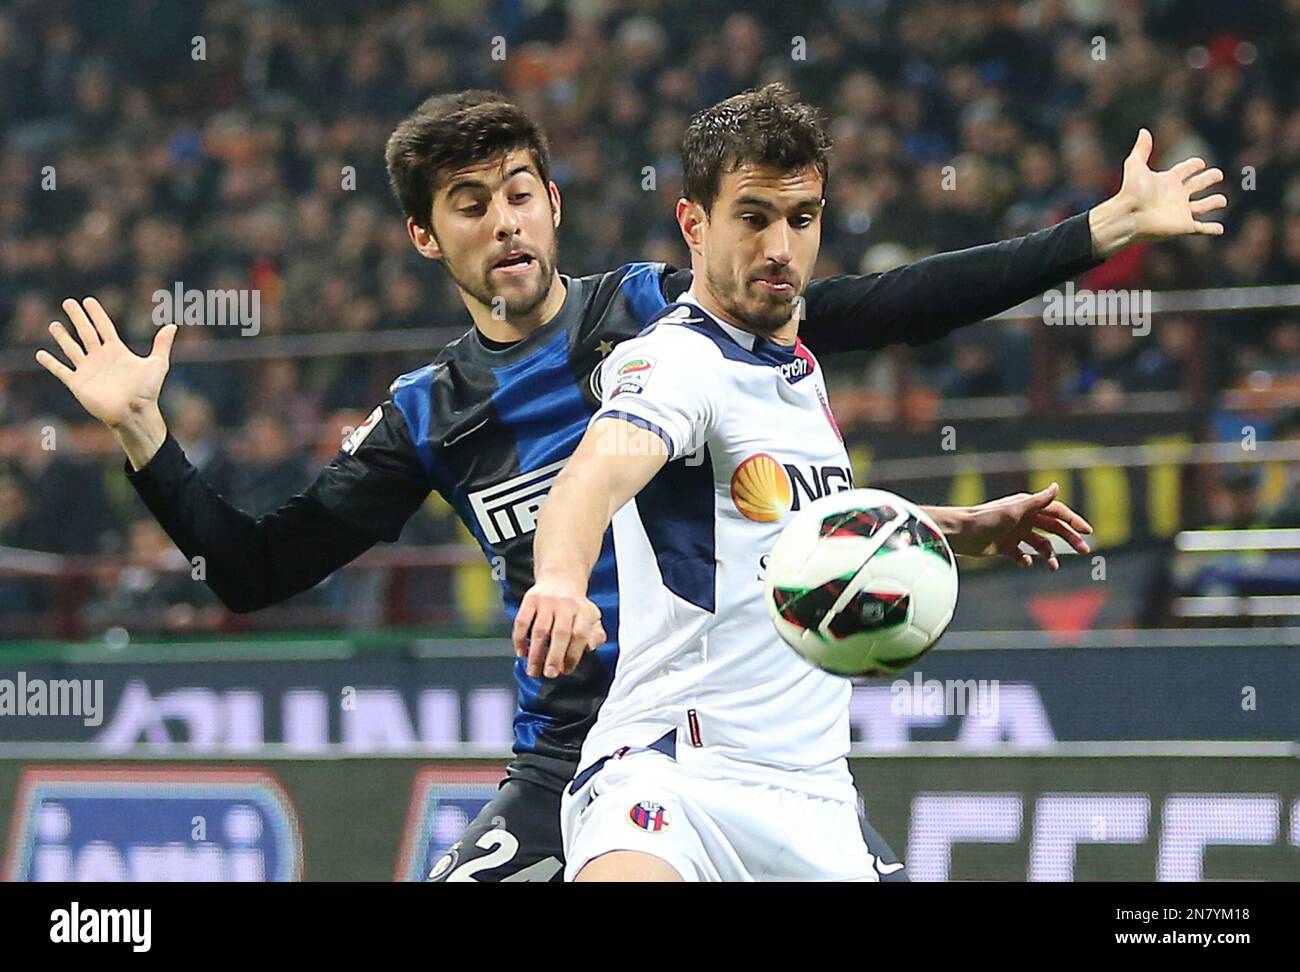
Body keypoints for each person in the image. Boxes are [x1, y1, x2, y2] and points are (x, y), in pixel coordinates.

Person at [35, 87, 1224, 881]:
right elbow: (252, 570)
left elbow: (873, 319)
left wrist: (1093, 233)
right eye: (467, 204)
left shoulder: (656, 317)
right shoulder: (427, 414)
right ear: (421, 237)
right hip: (579, 750)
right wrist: (147, 433)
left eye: (515, 192)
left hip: (754, 733)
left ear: (550, 203)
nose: (501, 223)